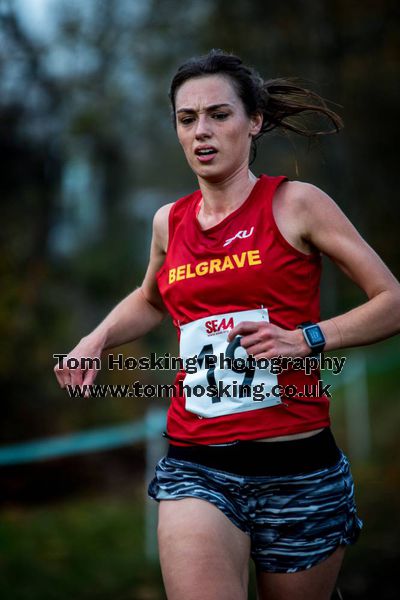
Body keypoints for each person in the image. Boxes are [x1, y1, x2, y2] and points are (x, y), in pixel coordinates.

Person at [55, 49, 400, 600]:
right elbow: (151, 299)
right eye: (186, 119)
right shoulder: (169, 221)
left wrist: (307, 338)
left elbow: (391, 301)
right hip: (198, 463)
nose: (201, 132)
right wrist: (95, 339)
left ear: (254, 121)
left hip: (299, 466)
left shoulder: (297, 204)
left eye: (219, 114)